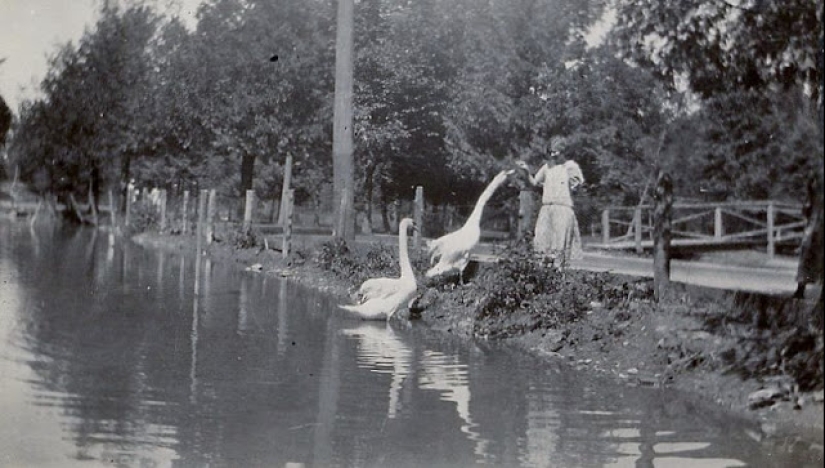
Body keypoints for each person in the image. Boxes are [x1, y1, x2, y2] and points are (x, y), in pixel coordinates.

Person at [516, 138, 585, 264]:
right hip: (546, 208)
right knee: (541, 242)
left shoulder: (570, 166)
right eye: (551, 152)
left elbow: (577, 186)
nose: (553, 155)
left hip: (562, 208)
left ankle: (558, 272)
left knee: (559, 245)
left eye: (556, 152)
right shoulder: (547, 167)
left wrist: (574, 184)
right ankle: (542, 272)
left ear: (564, 152)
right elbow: (534, 183)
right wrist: (526, 171)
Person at [793, 172, 823, 299]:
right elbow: (807, 205)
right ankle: (801, 288)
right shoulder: (816, 176)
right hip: (815, 223)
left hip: (816, 223)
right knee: (807, 253)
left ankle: (805, 288)